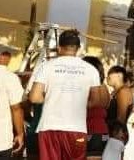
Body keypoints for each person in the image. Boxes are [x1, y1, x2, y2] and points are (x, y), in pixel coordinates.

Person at [28, 29, 110, 160]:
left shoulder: (47, 66)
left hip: (49, 127)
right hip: (76, 129)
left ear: (59, 47)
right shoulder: (91, 70)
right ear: (78, 48)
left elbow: (34, 97)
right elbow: (96, 101)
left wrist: (52, 99)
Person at [83, 56, 110, 155]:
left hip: (91, 132)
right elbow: (106, 106)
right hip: (103, 132)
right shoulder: (104, 88)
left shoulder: (90, 87)